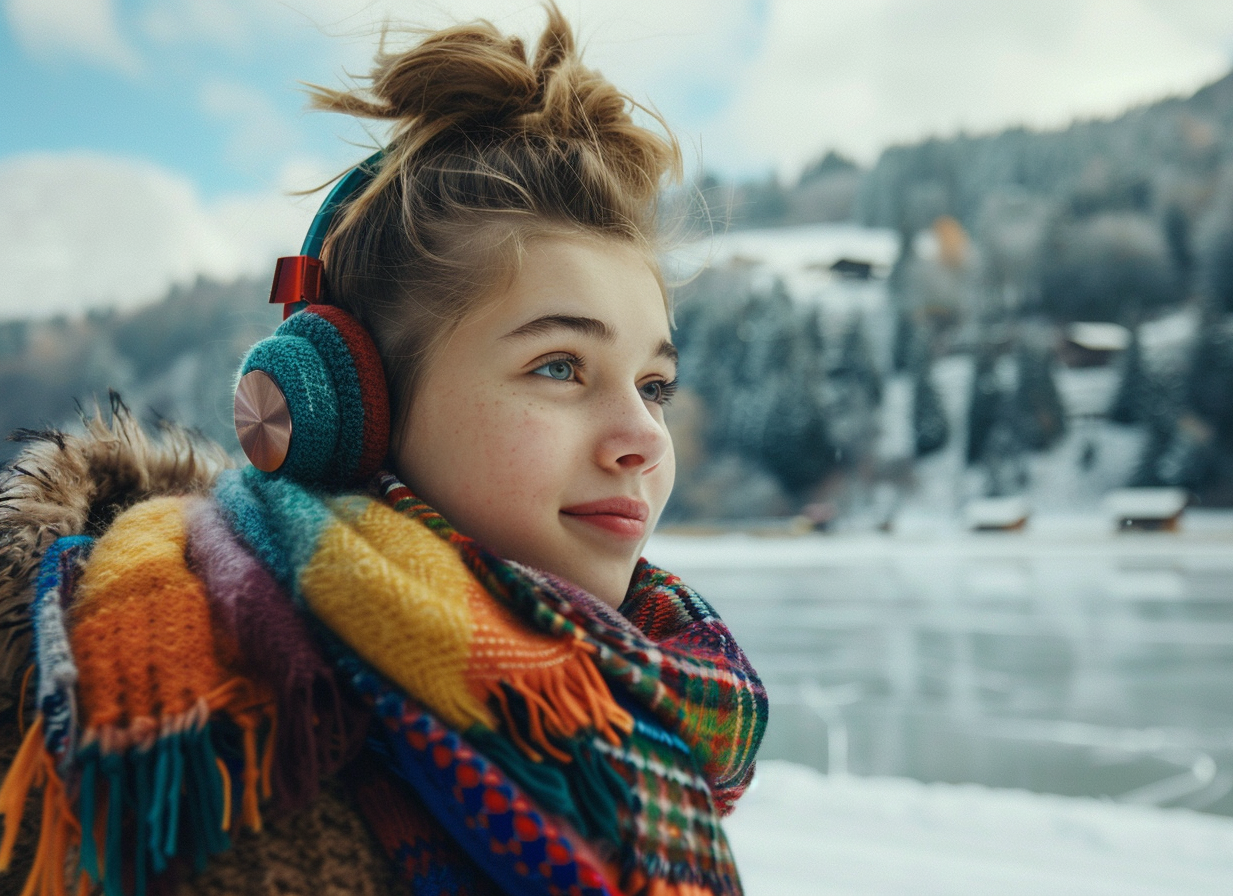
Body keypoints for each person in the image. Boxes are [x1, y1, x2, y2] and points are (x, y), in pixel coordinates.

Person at [0, 6, 767, 895]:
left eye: (655, 385)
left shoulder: (643, 706)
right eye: (560, 366)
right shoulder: (223, 748)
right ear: (348, 409)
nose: (641, 438)